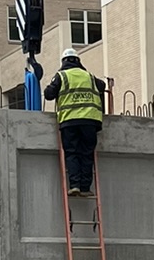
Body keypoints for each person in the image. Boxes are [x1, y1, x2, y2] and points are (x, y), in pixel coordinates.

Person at [42, 50, 107, 195]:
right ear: (78, 61)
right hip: (90, 121)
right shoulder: (89, 76)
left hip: (70, 120)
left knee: (72, 152)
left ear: (64, 62)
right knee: (87, 153)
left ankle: (75, 185)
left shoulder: (62, 76)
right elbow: (102, 86)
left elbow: (48, 94)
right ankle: (85, 187)